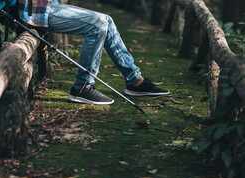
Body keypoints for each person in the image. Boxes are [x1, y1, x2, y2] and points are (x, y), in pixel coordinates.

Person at [18, 0, 169, 105]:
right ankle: (82, 87)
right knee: (98, 24)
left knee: (107, 20)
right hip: (38, 13)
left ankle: (135, 81)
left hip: (49, 6)